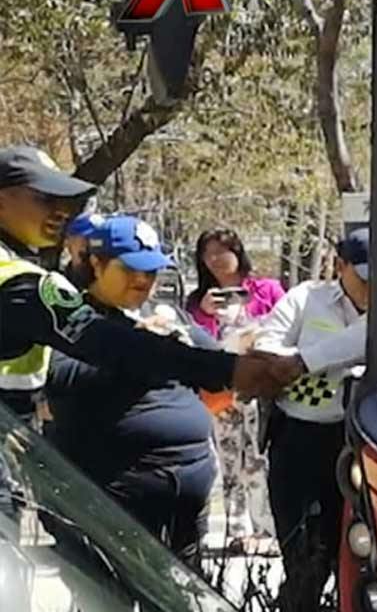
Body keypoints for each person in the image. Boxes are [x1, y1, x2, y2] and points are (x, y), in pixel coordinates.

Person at [0, 146, 299, 422]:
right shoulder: (17, 282)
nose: (61, 211)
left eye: (65, 201)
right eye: (44, 198)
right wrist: (227, 369)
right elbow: (106, 343)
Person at [43, 217, 222, 573]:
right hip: (113, 495)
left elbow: (217, 370)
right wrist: (134, 346)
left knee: (186, 611)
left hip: (186, 492)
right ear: (96, 263)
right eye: (130, 270)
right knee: (113, 606)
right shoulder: (71, 316)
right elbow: (59, 377)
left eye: (151, 271)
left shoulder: (167, 316)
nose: (143, 280)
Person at [253, 229, 373, 612]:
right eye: (362, 275)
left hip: (363, 446)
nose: (370, 286)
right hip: (299, 442)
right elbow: (267, 346)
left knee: (358, 559)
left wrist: (308, 360)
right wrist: (286, 362)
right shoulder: (306, 299)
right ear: (339, 266)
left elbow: (369, 338)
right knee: (304, 555)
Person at [187, 227, 286, 556]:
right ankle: (236, 529)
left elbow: (286, 328)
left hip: (261, 387)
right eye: (207, 254)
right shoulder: (200, 300)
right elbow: (192, 346)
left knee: (258, 458)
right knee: (229, 460)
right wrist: (204, 313)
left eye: (221, 252)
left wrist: (255, 330)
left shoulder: (266, 289)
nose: (215, 260)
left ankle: (267, 529)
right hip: (222, 392)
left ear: (238, 252)